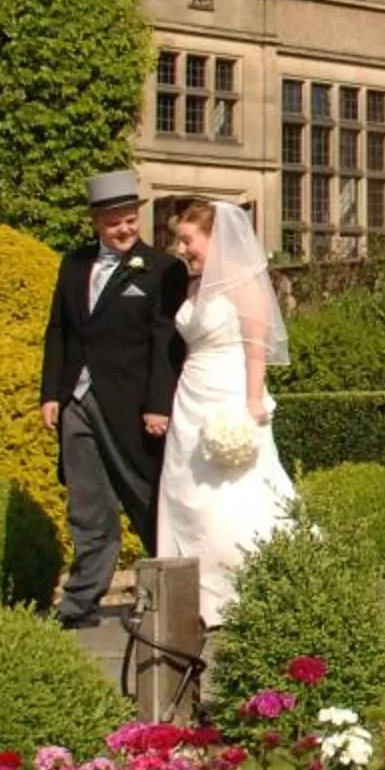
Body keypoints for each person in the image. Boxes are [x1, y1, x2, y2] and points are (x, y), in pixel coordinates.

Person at [38, 171, 188, 628]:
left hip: (132, 407)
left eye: (129, 221)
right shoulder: (73, 265)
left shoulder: (164, 270)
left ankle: (170, 595)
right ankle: (80, 604)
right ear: (95, 223)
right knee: (87, 506)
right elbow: (58, 331)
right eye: (112, 224)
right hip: (77, 404)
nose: (123, 231)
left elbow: (167, 345)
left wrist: (158, 404)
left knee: (146, 498)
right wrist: (50, 394)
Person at [156, 198, 299, 627]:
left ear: (213, 237)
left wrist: (252, 403)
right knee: (188, 493)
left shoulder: (244, 283)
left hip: (230, 393)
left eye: (188, 240)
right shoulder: (194, 285)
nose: (182, 249)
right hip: (191, 397)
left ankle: (245, 588)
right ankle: (190, 595)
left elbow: (257, 350)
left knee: (234, 496)